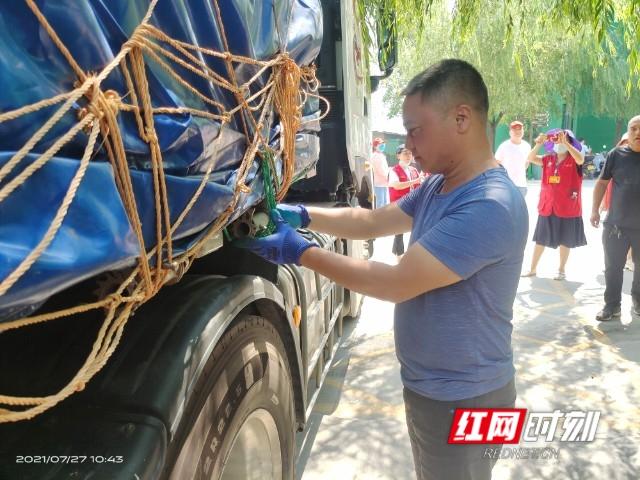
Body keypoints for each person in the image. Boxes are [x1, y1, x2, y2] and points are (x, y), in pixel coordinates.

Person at [241, 59, 528, 480]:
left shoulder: (489, 205)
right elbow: (372, 222)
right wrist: (304, 215)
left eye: (416, 130)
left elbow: (394, 283)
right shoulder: (440, 184)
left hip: (465, 397)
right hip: (442, 390)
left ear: (461, 118)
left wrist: (300, 252)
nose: (408, 145)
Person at [591, 116, 640, 321]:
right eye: (634, 129)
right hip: (616, 225)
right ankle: (612, 305)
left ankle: (638, 302)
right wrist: (595, 209)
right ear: (628, 132)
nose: (638, 133)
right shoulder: (616, 155)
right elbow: (602, 183)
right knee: (613, 267)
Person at [521, 129, 586, 280]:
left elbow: (581, 159)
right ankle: (532, 268)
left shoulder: (574, 160)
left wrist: (567, 144)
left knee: (565, 240)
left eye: (564, 139)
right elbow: (530, 158)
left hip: (568, 207)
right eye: (557, 140)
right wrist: (538, 144)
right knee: (540, 239)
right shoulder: (548, 159)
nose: (560, 143)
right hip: (548, 206)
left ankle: (561, 270)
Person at [388, 144, 422, 259]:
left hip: (414, 205)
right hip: (399, 206)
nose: (408, 156)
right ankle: (399, 255)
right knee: (399, 232)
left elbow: (419, 186)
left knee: (415, 229)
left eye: (410, 153)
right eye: (405, 153)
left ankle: (409, 255)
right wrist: (415, 181)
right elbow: (397, 186)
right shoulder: (393, 171)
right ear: (398, 155)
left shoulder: (413, 170)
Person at [494, 120, 531, 196]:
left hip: (521, 186)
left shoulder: (527, 146)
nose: (517, 132)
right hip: (506, 185)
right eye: (515, 130)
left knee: (519, 208)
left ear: (523, 131)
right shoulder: (504, 146)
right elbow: (496, 163)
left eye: (519, 130)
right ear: (510, 132)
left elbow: (527, 163)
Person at [371, 137, 390, 209]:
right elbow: (382, 171)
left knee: (383, 203)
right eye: (381, 144)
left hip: (382, 183)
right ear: (375, 146)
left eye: (383, 144)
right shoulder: (377, 156)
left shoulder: (379, 155)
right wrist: (388, 176)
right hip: (379, 184)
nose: (383, 146)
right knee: (381, 204)